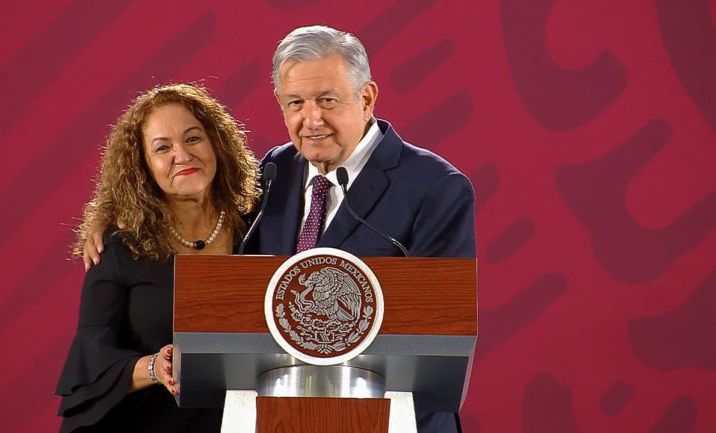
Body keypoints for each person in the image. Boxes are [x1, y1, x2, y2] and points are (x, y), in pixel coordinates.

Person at [83, 26, 476, 433]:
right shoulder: (275, 170)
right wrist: (115, 213)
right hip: (277, 418)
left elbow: (438, 337)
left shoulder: (435, 188)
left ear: (366, 98)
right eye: (296, 103)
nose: (312, 119)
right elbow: (200, 202)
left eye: (327, 100)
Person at [56, 83, 261, 433]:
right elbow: (93, 356)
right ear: (143, 167)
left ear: (217, 143)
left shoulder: (260, 225)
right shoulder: (120, 247)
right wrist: (155, 367)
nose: (182, 155)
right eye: (162, 148)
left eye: (193, 138)